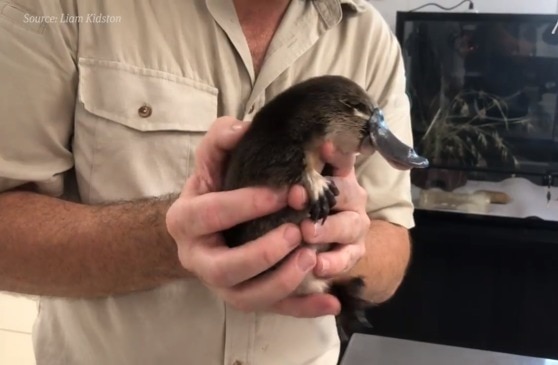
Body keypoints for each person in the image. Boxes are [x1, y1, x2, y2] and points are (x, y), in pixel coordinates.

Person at [0, 0, 416, 364]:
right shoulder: (61, 7)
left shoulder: (367, 36)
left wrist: (337, 251)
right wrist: (177, 241)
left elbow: (390, 243)